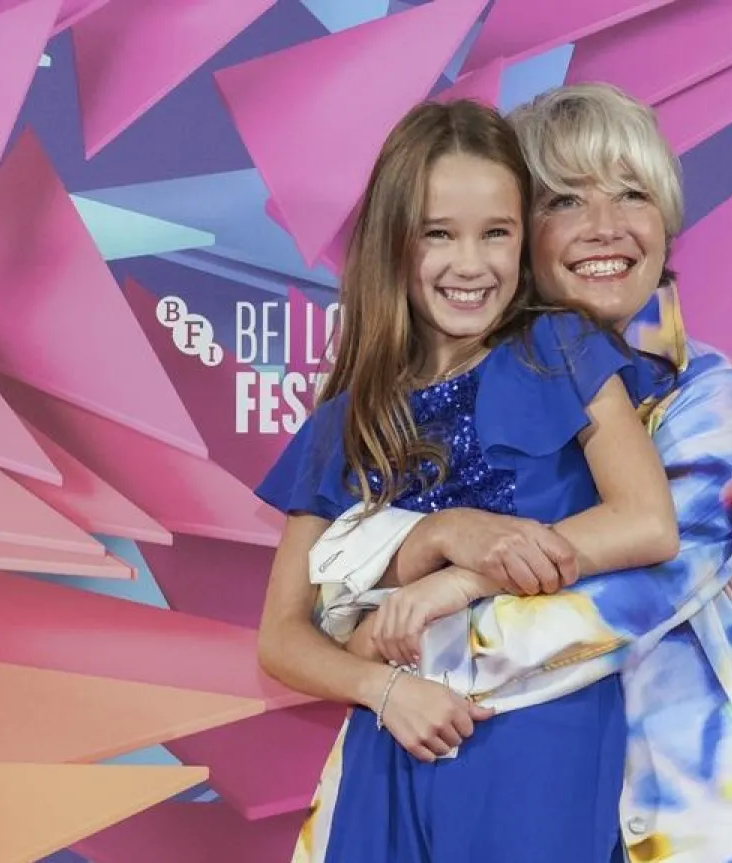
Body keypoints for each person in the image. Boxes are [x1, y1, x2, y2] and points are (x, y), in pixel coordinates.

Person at [305, 83, 732, 861]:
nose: (605, 226)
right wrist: (436, 545)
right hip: (433, 786)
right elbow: (312, 594)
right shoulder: (427, 400)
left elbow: (614, 596)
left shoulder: (714, 401)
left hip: (658, 818)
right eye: (566, 201)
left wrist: (419, 609)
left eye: (633, 194)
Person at [253, 96, 683, 862]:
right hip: (397, 736)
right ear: (394, 243)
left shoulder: (560, 345)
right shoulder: (348, 419)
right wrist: (385, 692)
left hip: (536, 728)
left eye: (497, 233)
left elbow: (647, 520)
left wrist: (462, 575)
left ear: (524, 241)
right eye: (438, 235)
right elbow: (282, 635)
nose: (471, 264)